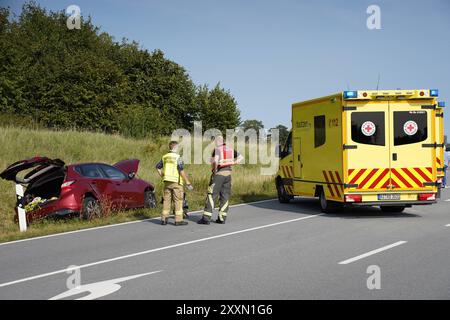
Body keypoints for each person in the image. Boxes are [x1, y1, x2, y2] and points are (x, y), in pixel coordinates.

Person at [198, 136, 243, 225]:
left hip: (219, 174)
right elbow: (241, 157)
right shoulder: (230, 149)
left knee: (212, 195)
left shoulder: (218, 149)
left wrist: (214, 171)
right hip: (228, 174)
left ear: (218, 141)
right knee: (225, 196)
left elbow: (215, 161)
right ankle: (222, 218)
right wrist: (232, 163)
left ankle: (206, 218)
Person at [156, 141, 193, 226]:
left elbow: (157, 167)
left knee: (166, 200)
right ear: (175, 148)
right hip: (176, 182)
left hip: (166, 182)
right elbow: (181, 170)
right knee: (178, 200)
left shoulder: (164, 157)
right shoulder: (178, 157)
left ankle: (164, 219)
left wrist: (163, 175)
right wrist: (187, 182)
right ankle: (178, 220)